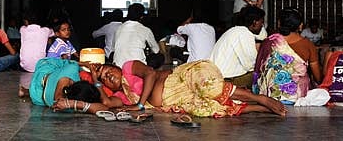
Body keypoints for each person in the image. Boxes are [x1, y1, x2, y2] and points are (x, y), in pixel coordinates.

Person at [84, 60, 287, 117]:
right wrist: (95, 80)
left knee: (208, 87)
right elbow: (108, 103)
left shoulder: (130, 67)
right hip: (178, 101)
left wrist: (139, 104)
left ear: (116, 66)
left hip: (183, 78)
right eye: (105, 78)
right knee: (206, 109)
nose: (108, 75)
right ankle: (259, 108)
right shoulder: (121, 96)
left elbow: (152, 74)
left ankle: (258, 98)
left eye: (107, 70)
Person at [253, 8, 322, 104]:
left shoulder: (268, 42)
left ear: (279, 23)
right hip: (297, 97)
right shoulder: (307, 44)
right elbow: (317, 76)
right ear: (300, 25)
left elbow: (258, 70)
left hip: (269, 98)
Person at [22, 57, 109, 114]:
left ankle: (25, 90)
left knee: (55, 62)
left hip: (42, 73)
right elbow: (104, 108)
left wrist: (83, 64)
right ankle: (25, 91)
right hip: (36, 97)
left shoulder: (71, 71)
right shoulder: (68, 107)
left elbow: (71, 64)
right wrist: (76, 104)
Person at [210, 5, 266, 88]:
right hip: (226, 80)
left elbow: (262, 37)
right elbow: (251, 64)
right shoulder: (244, 33)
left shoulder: (235, 31)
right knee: (264, 73)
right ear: (255, 22)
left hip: (216, 76)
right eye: (261, 22)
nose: (262, 25)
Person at [112, 3, 159, 69]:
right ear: (141, 17)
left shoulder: (118, 28)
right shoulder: (145, 30)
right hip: (137, 68)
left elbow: (113, 48)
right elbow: (156, 50)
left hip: (118, 66)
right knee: (159, 57)